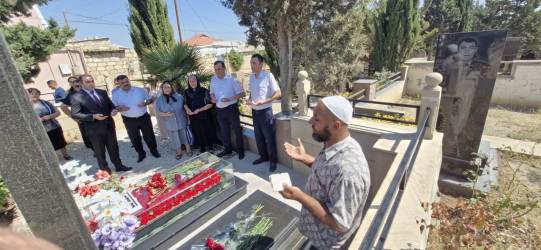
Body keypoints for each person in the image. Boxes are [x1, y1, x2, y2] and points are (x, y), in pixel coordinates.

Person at [280, 96, 370, 249]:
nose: (310, 122)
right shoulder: (335, 143)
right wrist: (304, 158)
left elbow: (339, 223)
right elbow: (329, 172)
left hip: (326, 244)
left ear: (335, 126)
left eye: (316, 119)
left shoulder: (348, 173)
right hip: (316, 235)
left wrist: (299, 196)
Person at [70, 74, 131, 173]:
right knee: (99, 151)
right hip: (94, 129)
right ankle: (105, 170)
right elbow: (75, 114)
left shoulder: (101, 92)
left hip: (108, 125)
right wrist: (92, 117)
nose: (91, 84)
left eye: (92, 81)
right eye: (88, 82)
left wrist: (113, 110)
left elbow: (110, 104)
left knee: (113, 148)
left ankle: (119, 165)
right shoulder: (76, 96)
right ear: (81, 83)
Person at [112, 75, 160, 163]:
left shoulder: (139, 90)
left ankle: (154, 151)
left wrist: (145, 103)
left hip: (143, 117)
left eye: (126, 81)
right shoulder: (116, 95)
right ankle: (141, 154)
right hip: (129, 119)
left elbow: (149, 100)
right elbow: (114, 107)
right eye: (122, 82)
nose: (125, 84)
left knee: (149, 135)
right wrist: (120, 109)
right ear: (118, 83)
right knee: (134, 138)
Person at [246, 54, 281, 172]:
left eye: (254, 63)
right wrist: (250, 100)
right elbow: (252, 93)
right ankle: (263, 156)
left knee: (269, 138)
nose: (252, 65)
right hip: (255, 112)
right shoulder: (251, 77)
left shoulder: (268, 76)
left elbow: (278, 93)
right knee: (258, 137)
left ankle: (272, 161)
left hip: (265, 112)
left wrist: (266, 101)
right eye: (251, 63)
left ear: (261, 64)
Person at [210, 61, 245, 159]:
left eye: (219, 69)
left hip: (231, 109)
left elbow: (241, 94)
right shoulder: (213, 80)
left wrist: (229, 99)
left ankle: (241, 150)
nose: (217, 71)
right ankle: (227, 150)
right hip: (220, 110)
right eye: (216, 69)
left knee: (237, 130)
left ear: (224, 68)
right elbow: (211, 92)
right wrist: (212, 98)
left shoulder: (232, 79)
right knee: (224, 131)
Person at [28, 88, 72, 160]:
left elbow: (58, 112)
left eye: (36, 93)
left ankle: (66, 155)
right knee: (46, 145)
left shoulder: (47, 103)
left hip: (53, 126)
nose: (34, 95)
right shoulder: (28, 107)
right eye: (32, 94)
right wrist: (37, 120)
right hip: (41, 129)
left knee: (60, 141)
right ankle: (52, 159)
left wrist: (49, 116)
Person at [155, 81, 193, 159]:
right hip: (169, 122)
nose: (167, 89)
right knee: (174, 137)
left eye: (168, 87)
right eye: (165, 87)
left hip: (181, 120)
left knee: (184, 135)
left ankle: (188, 150)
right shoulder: (159, 100)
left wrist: (188, 119)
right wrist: (167, 114)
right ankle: (179, 152)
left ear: (171, 88)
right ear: (162, 89)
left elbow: (185, 107)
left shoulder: (179, 96)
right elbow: (159, 112)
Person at [60, 76, 94, 155]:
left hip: (94, 117)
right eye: (76, 85)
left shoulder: (90, 92)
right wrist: (73, 117)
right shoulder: (72, 95)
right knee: (87, 136)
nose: (79, 87)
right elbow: (63, 106)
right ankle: (95, 150)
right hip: (83, 119)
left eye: (80, 85)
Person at [184, 75, 216, 155]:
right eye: (190, 81)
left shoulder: (204, 91)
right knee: (197, 131)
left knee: (207, 131)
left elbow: (210, 104)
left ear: (197, 81)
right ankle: (202, 147)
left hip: (204, 115)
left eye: (194, 81)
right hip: (193, 116)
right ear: (188, 82)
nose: (192, 83)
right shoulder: (186, 92)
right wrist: (188, 110)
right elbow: (184, 103)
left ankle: (210, 147)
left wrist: (199, 110)